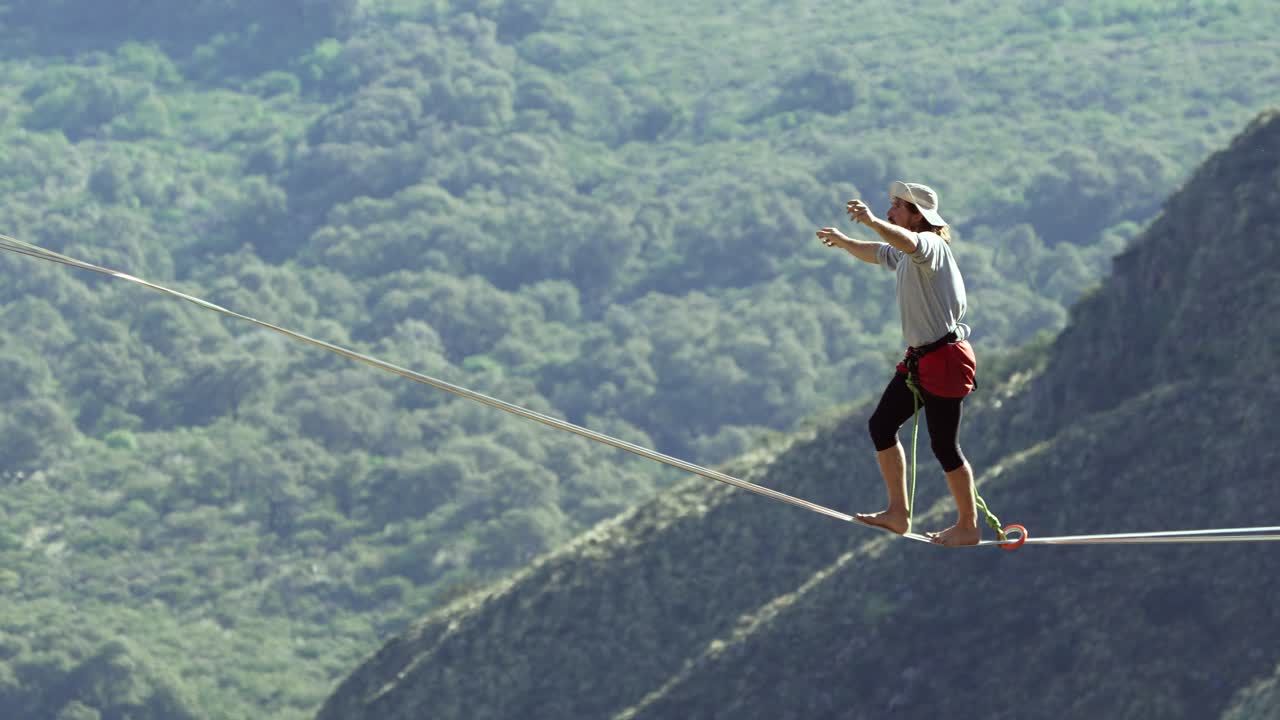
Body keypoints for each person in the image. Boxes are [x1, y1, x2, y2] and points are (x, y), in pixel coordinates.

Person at [815, 181, 980, 546]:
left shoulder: (930, 245)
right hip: (923, 358)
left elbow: (904, 241)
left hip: (945, 359)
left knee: (944, 447)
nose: (890, 212)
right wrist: (845, 242)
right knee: (882, 426)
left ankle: (968, 526)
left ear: (917, 216)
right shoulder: (908, 253)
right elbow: (878, 251)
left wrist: (872, 220)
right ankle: (898, 513)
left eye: (897, 207)